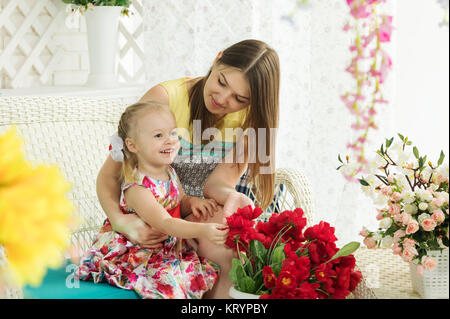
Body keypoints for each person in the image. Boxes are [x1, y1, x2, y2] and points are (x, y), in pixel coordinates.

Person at [97, 39, 281, 298]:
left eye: (239, 98)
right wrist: (119, 220)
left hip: (194, 207)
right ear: (217, 59)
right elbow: (111, 174)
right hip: (152, 212)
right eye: (221, 82)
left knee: (230, 250)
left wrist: (230, 196)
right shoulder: (164, 98)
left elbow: (214, 184)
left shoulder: (250, 122)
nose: (222, 98)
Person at [75, 101, 229, 299]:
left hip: (165, 246)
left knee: (200, 272)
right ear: (133, 145)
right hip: (139, 252)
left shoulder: (169, 172)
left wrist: (191, 202)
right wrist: (204, 230)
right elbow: (165, 222)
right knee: (170, 288)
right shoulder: (137, 188)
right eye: (159, 135)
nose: (170, 141)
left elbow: (178, 200)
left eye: (173, 133)